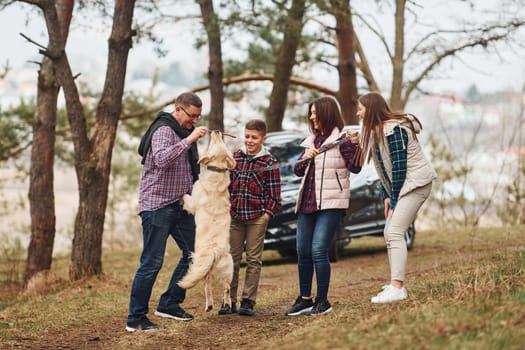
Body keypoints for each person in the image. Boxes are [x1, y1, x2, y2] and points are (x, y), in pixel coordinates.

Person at [126, 92, 209, 332]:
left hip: (180, 205)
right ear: (178, 109)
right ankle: (136, 318)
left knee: (195, 253)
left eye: (197, 117)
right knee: (152, 262)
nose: (194, 121)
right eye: (191, 116)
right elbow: (162, 159)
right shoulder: (164, 130)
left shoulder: (182, 131)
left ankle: (170, 303)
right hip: (158, 206)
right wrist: (190, 139)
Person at [356, 91, 437, 303]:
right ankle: (394, 284)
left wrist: (394, 201)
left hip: (416, 184)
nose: (358, 113)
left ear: (371, 110)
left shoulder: (395, 130)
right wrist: (386, 196)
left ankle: (397, 287)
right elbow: (383, 168)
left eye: (361, 109)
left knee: (394, 232)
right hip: (404, 186)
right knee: (389, 232)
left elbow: (400, 169)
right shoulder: (378, 132)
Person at [285, 96, 362, 316]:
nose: (312, 118)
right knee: (302, 251)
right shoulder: (312, 140)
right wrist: (304, 158)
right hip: (307, 201)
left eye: (315, 115)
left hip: (331, 202)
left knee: (319, 249)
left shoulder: (343, 139)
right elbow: (297, 171)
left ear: (327, 114)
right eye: (310, 114)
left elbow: (355, 168)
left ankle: (322, 301)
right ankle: (304, 299)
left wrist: (357, 145)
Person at [218, 119, 282, 316]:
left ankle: (248, 301)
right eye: (247, 136)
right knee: (232, 259)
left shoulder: (269, 163)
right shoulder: (236, 158)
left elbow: (275, 196)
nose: (250, 141)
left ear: (263, 138)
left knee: (254, 260)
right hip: (235, 216)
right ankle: (229, 300)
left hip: (256, 218)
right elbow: (226, 187)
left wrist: (266, 215)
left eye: (254, 137)